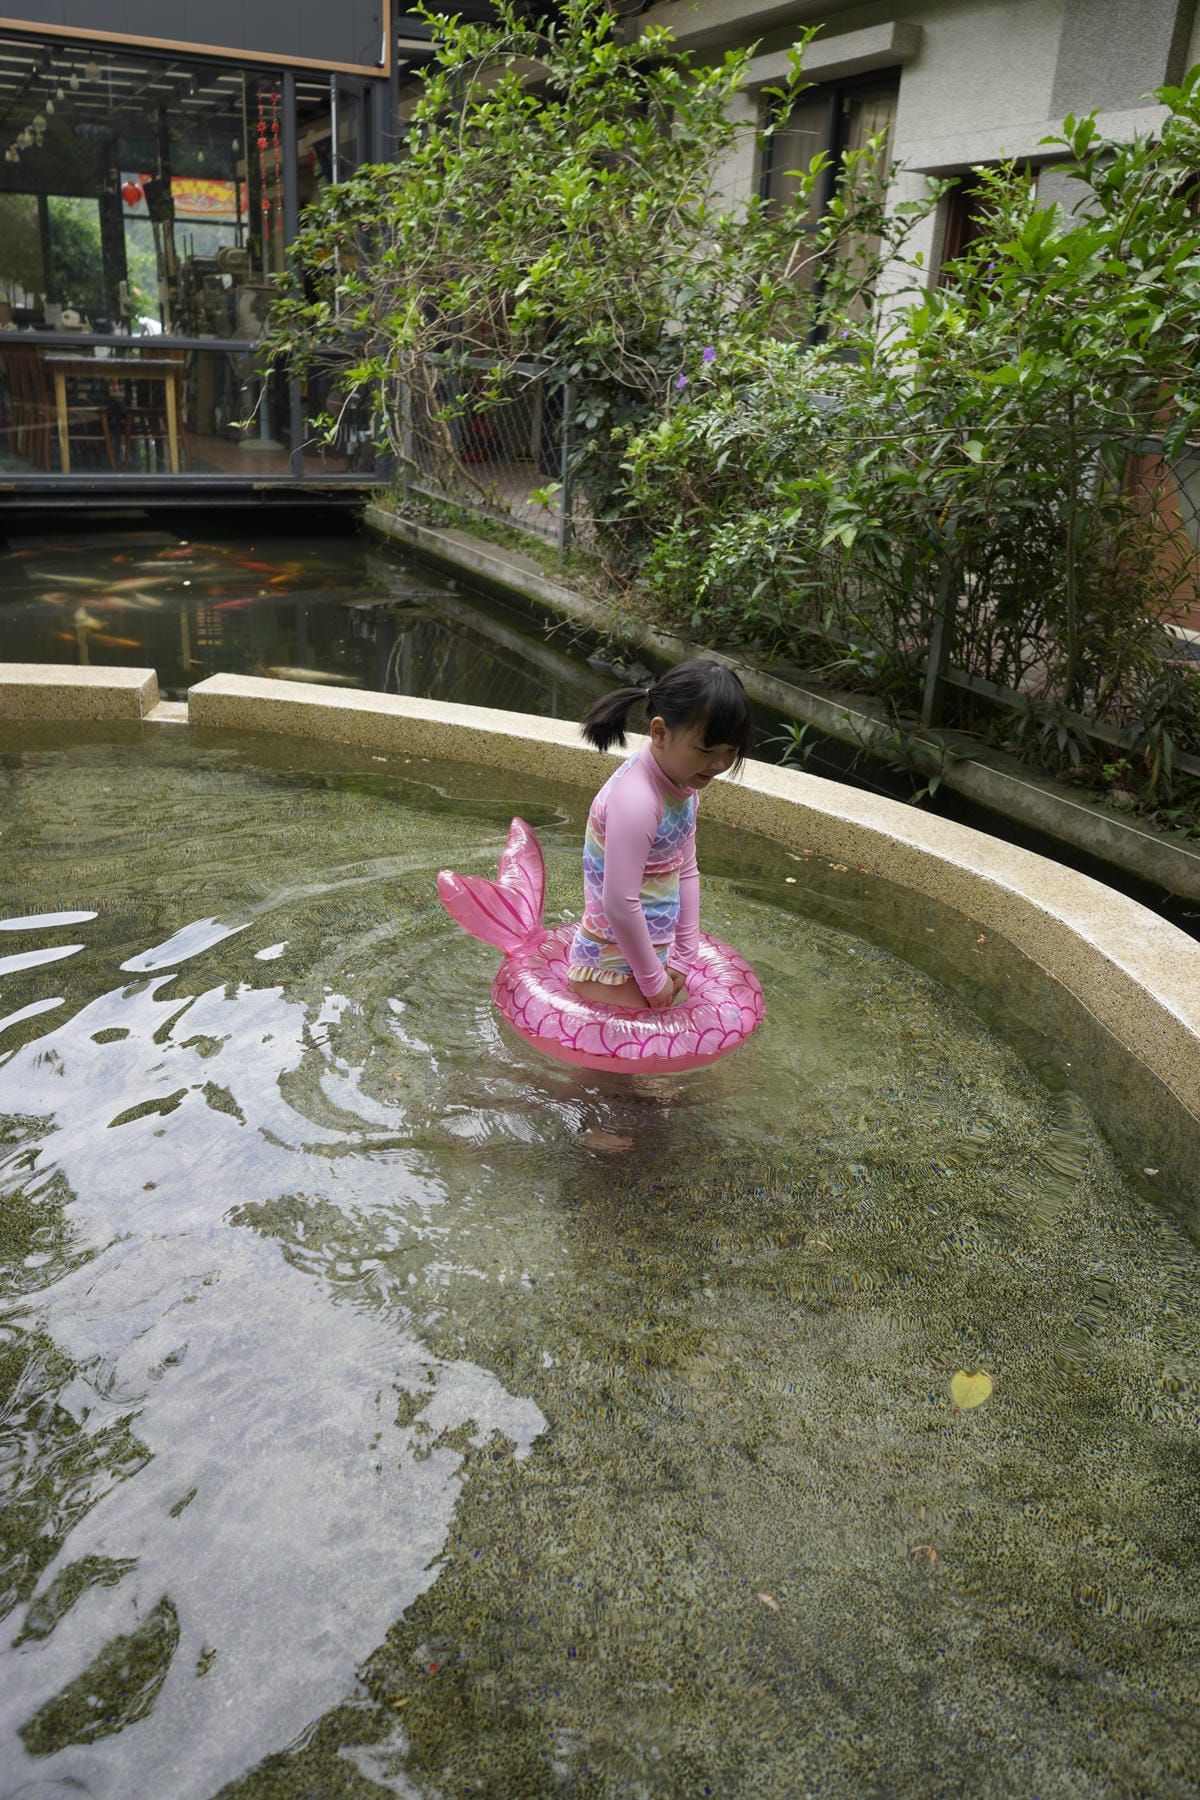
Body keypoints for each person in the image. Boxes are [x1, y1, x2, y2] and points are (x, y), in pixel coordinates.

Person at [567, 660, 752, 1012]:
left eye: (730, 752)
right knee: (610, 1068)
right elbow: (619, 903)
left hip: (648, 952)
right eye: (707, 751)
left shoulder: (684, 787)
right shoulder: (637, 800)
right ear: (660, 732)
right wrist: (654, 982)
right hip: (610, 962)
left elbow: (686, 870)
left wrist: (684, 956)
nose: (718, 765)